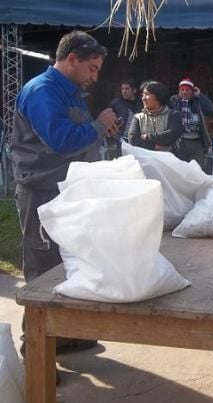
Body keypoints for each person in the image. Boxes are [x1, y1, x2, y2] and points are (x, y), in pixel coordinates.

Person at [11, 31, 119, 360]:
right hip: (42, 192)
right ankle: (36, 350)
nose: (94, 76)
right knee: (44, 268)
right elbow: (60, 140)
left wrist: (98, 130)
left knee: (69, 263)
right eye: (92, 68)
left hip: (66, 191)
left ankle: (63, 336)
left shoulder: (70, 93)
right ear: (72, 59)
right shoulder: (42, 91)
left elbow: (77, 136)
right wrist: (99, 125)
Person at [169, 77, 213, 169]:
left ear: (192, 92)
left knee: (197, 170)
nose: (184, 92)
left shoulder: (197, 102)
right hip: (179, 142)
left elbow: (211, 109)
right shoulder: (174, 101)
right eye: (182, 90)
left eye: (187, 90)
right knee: (179, 169)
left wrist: (200, 95)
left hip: (196, 142)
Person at [128, 81, 183, 152]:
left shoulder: (173, 115)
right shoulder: (138, 118)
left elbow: (172, 136)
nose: (143, 98)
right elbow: (133, 141)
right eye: (142, 95)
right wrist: (154, 147)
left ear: (158, 96)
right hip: (144, 158)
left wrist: (146, 137)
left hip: (168, 158)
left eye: (147, 94)